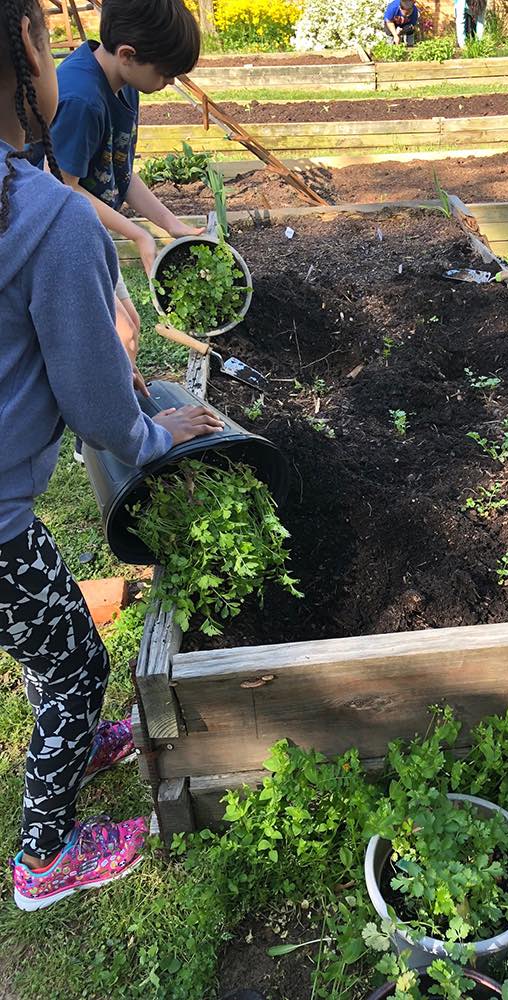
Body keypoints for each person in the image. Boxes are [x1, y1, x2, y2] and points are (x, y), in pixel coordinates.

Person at [1, 0, 222, 910]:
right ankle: (44, 858)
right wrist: (151, 433)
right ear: (26, 46)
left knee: (46, 637)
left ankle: (76, 732)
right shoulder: (48, 217)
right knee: (79, 665)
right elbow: (97, 404)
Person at [44, 0, 203, 448]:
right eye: (167, 73)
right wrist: (137, 233)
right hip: (62, 237)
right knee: (118, 334)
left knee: (126, 328)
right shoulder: (78, 98)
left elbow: (121, 170)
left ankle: (113, 430)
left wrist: (171, 224)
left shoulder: (125, 84)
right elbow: (62, 188)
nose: (169, 83)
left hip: (87, 232)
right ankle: (106, 438)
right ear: (130, 54)